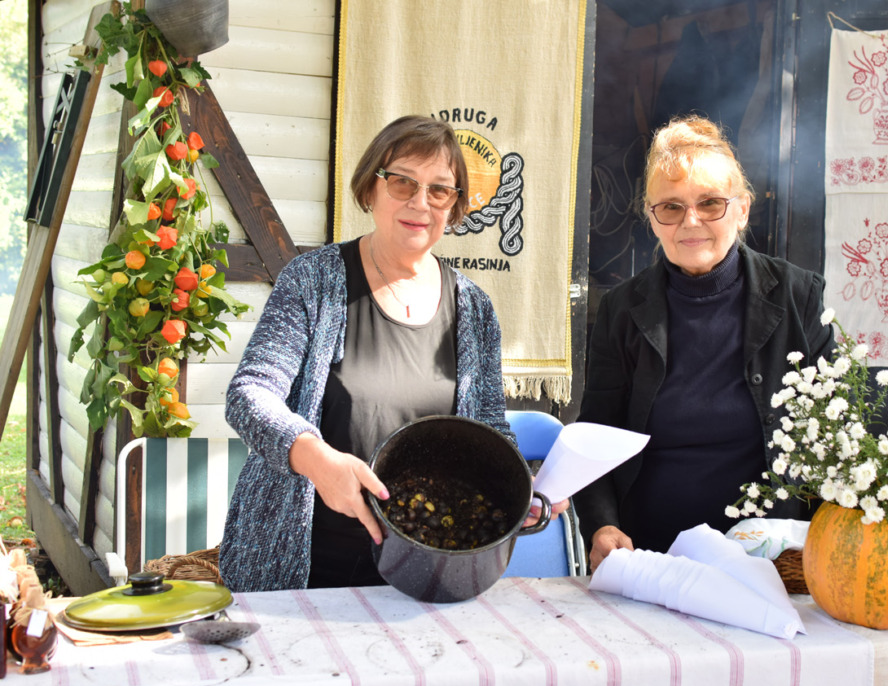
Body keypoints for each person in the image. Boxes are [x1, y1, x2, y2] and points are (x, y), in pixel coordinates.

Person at [219, 115, 513, 592]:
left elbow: (489, 431)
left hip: (427, 568)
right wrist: (315, 459)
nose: (420, 202)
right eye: (402, 182)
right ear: (371, 188)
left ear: (455, 206)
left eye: (440, 190)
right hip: (307, 567)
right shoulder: (312, 281)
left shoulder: (474, 308)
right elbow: (249, 393)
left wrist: (522, 486)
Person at [574, 115, 835, 571]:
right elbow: (598, 435)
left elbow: (839, 429)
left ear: (743, 209)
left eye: (710, 203)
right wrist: (601, 527)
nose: (690, 221)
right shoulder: (622, 310)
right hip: (651, 555)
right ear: (652, 219)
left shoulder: (798, 297)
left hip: (772, 560)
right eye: (670, 207)